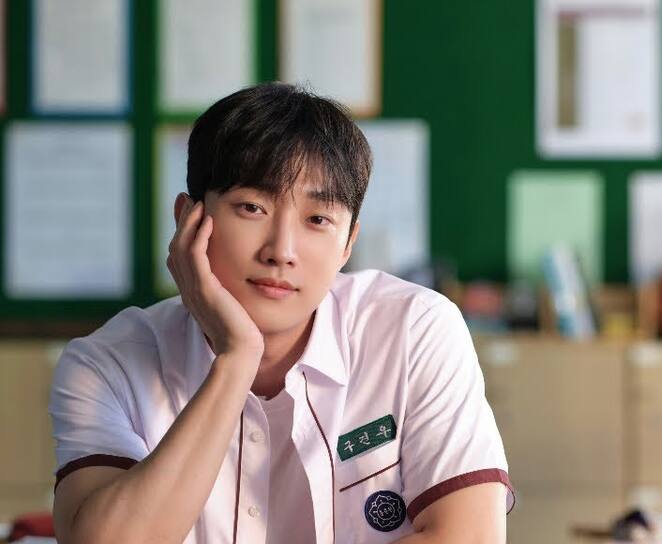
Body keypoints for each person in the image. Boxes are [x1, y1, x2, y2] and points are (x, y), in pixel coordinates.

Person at [49, 82, 513, 543]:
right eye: (252, 207)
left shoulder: (413, 330)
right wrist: (236, 359)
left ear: (348, 243)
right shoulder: (107, 364)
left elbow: (469, 537)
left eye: (318, 220)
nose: (282, 251)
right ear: (188, 219)